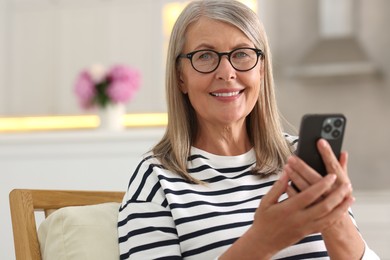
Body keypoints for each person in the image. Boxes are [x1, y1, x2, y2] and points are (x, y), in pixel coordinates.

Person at [118, 0, 379, 259]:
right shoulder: (155, 180)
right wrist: (262, 242)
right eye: (205, 56)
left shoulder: (302, 161)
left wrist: (335, 217)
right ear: (180, 76)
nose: (227, 72)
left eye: (242, 53)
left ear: (262, 68)